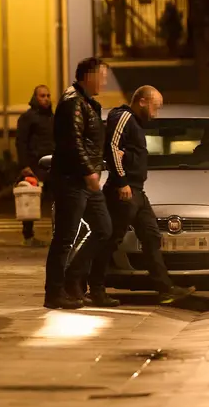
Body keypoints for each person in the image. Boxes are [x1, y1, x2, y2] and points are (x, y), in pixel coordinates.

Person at [80, 85, 195, 305]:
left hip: (137, 191)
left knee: (151, 236)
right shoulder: (123, 116)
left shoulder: (134, 124)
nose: (156, 112)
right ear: (142, 101)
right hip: (124, 190)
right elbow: (113, 147)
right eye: (155, 106)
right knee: (111, 239)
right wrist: (122, 181)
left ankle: (165, 288)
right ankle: (95, 288)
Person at [43, 57, 112, 310]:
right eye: (102, 76)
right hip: (73, 180)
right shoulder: (73, 102)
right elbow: (72, 142)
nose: (104, 82)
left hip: (86, 179)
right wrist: (88, 171)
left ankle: (73, 278)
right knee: (65, 236)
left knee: (104, 228)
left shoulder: (86, 102)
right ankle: (54, 292)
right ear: (89, 75)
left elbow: (90, 141)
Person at [15, 84, 55, 247]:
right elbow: (21, 142)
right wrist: (25, 164)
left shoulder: (52, 118)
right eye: (42, 96)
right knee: (30, 201)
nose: (46, 99)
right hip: (34, 165)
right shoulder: (28, 118)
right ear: (35, 98)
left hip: (52, 165)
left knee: (56, 200)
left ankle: (57, 234)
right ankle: (28, 235)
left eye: (48, 95)